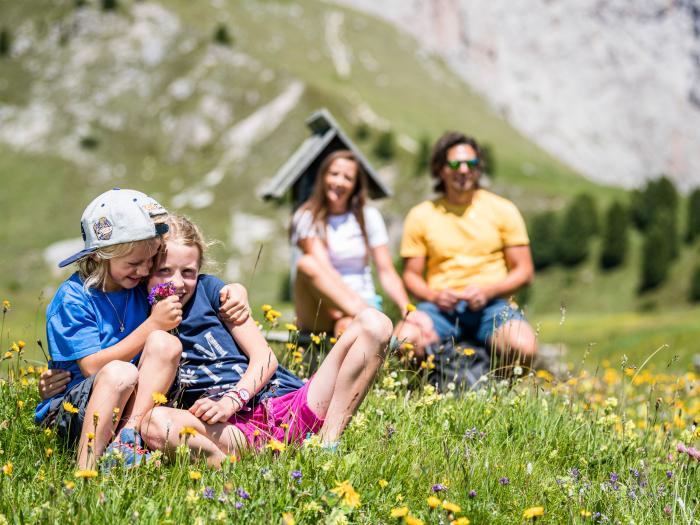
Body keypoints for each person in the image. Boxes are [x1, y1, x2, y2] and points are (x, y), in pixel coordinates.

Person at [136, 215, 392, 467]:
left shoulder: (211, 291)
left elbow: (265, 357)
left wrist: (231, 400)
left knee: (375, 323)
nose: (177, 282)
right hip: (235, 431)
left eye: (188, 272)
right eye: (164, 271)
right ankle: (235, 469)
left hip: (290, 404)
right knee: (155, 424)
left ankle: (325, 446)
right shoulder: (138, 315)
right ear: (147, 270)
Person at [35, 189, 246, 470]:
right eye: (134, 263)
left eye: (150, 261)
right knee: (122, 371)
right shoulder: (73, 298)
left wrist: (236, 290)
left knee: (165, 343)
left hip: (132, 406)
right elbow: (92, 368)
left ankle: (126, 442)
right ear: (101, 255)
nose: (144, 270)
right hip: (79, 411)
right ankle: (84, 472)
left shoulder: (136, 286)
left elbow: (196, 286)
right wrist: (152, 325)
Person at [397, 132, 537, 370]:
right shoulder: (421, 215)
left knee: (524, 347)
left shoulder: (503, 209)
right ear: (441, 169)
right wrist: (434, 296)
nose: (463, 170)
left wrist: (489, 290)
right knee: (403, 342)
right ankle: (422, 391)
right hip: (439, 308)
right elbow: (411, 275)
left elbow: (524, 271)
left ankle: (497, 395)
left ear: (478, 168)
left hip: (492, 306)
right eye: (454, 164)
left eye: (470, 163)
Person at [291, 149, 411, 336]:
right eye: (334, 174)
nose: (339, 182)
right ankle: (370, 317)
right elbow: (324, 269)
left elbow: (386, 269)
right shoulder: (307, 217)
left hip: (361, 301)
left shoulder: (368, 216)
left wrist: (406, 307)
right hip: (321, 305)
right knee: (306, 264)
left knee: (347, 327)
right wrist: (343, 309)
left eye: (347, 178)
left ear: (355, 185)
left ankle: (364, 317)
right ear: (323, 177)